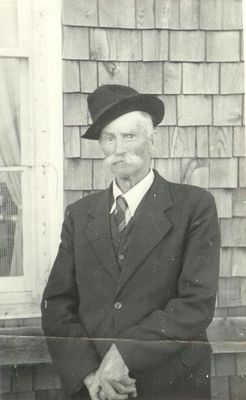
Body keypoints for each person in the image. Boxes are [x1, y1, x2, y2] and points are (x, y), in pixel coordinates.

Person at [41, 84, 220, 400]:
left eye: (129, 136)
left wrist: (123, 355)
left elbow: (195, 304)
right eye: (108, 138)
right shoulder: (80, 215)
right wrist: (89, 373)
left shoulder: (194, 207)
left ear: (153, 141)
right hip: (96, 388)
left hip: (171, 385)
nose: (118, 148)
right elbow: (57, 304)